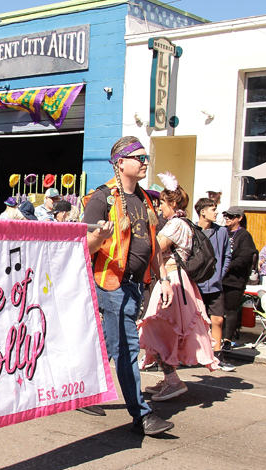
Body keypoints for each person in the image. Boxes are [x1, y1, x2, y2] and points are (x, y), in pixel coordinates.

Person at [82, 136, 174, 436]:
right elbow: (84, 245)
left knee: (112, 342)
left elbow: (152, 246)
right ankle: (142, 415)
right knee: (126, 347)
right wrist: (99, 236)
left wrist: (164, 278)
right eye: (139, 157)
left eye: (145, 157)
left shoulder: (146, 198)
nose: (145, 162)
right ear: (120, 163)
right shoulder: (102, 199)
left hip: (136, 284)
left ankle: (81, 390)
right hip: (111, 284)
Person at [138, 174, 219, 401]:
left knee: (157, 331)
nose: (159, 207)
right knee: (164, 332)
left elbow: (154, 249)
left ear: (172, 204)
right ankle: (169, 378)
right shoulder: (185, 223)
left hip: (172, 280)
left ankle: (173, 381)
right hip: (178, 280)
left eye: (162, 203)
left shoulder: (175, 224)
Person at [194, 197, 235, 371]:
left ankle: (217, 355)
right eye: (213, 209)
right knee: (195, 321)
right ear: (203, 211)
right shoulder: (193, 230)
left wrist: (221, 272)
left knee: (217, 319)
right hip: (197, 284)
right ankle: (193, 354)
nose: (217, 213)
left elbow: (227, 255)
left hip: (215, 284)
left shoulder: (222, 232)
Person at [220, 207, 257, 352]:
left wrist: (228, 267)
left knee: (230, 310)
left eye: (231, 216)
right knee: (215, 310)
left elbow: (245, 257)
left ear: (239, 218)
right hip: (218, 277)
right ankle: (214, 337)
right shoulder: (222, 231)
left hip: (234, 279)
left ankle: (227, 340)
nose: (228, 218)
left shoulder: (244, 236)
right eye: (226, 215)